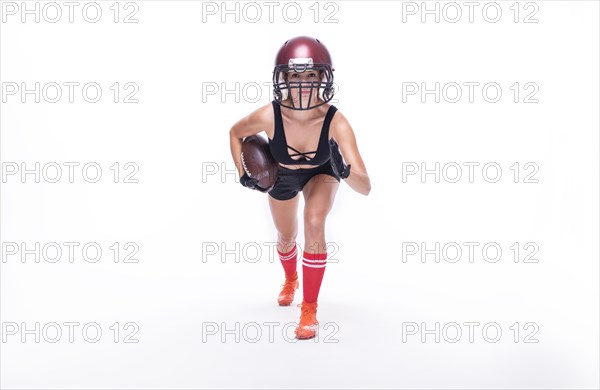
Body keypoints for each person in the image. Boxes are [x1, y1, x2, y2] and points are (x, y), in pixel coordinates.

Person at [229, 36, 371, 340]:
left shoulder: (336, 120)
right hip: (283, 176)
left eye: (311, 75)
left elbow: (365, 187)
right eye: (295, 75)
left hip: (322, 173)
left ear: (323, 78)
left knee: (314, 222)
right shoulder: (269, 115)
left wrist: (344, 170)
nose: (304, 82)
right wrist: (243, 173)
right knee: (286, 236)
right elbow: (235, 133)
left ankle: (309, 308)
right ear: (283, 79)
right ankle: (291, 278)